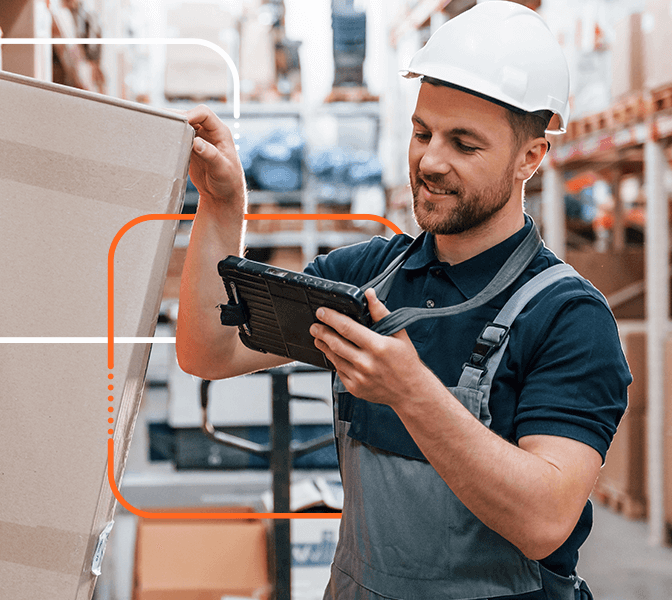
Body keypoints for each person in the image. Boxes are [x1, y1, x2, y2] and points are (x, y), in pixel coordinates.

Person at [175, 3, 630, 599]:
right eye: (423, 133)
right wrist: (222, 205)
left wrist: (412, 392)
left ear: (530, 157)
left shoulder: (567, 317)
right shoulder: (369, 276)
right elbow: (210, 351)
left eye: (464, 145)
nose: (430, 161)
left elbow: (544, 521)